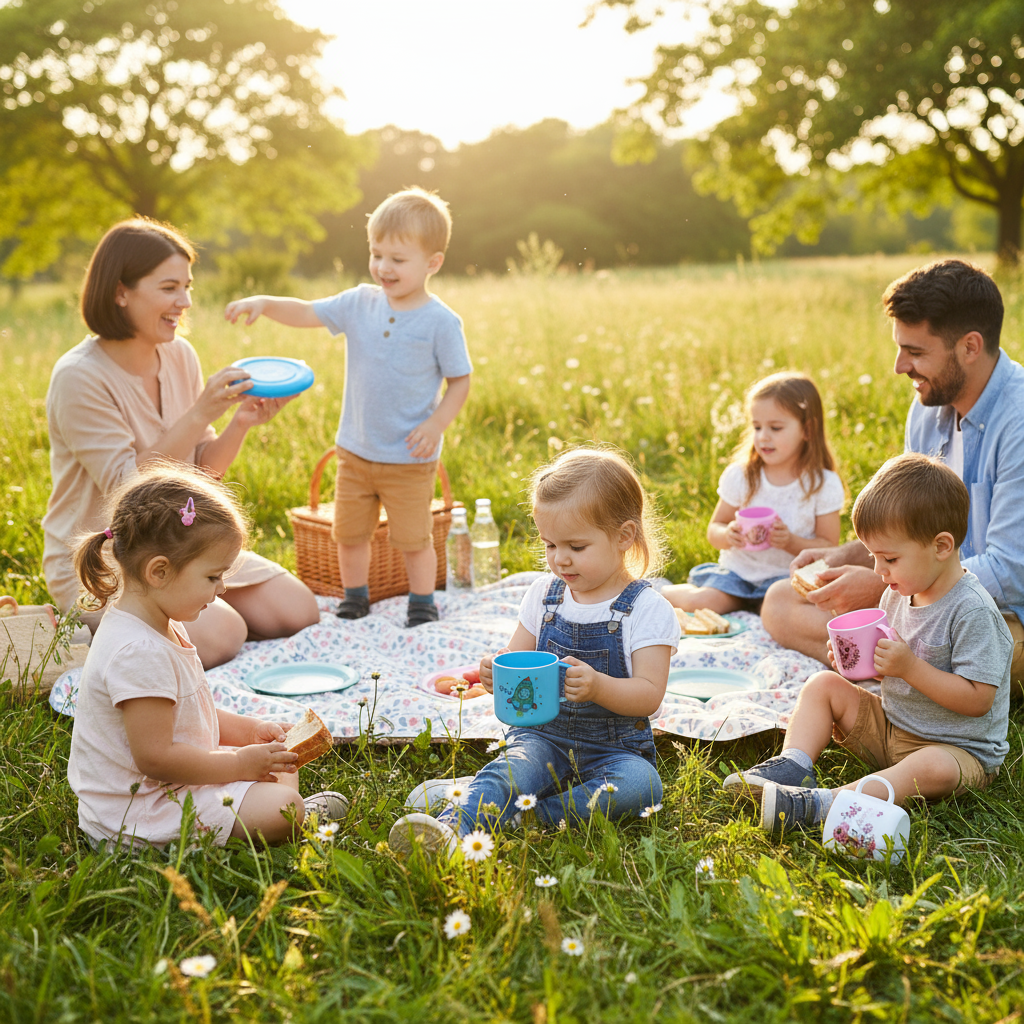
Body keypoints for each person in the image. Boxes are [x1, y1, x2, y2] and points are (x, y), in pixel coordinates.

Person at [42, 218, 319, 668]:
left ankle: (157, 628)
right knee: (225, 634)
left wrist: (239, 423)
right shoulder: (79, 377)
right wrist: (201, 412)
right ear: (121, 292)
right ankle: (88, 635)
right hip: (107, 557)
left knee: (298, 610)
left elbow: (199, 475)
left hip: (182, 543)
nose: (185, 302)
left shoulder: (179, 355)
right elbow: (126, 491)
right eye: (169, 288)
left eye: (187, 287)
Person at [387, 447, 679, 857]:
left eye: (576, 546)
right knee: (517, 766)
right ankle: (455, 828)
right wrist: (495, 672)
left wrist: (598, 687)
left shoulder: (647, 609)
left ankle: (526, 814)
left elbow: (649, 694)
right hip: (541, 739)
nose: (560, 559)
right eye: (550, 544)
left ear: (624, 536)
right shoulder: (545, 596)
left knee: (642, 785)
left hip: (614, 751)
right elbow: (516, 658)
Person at [761, 259, 1024, 691]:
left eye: (916, 352)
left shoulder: (1018, 421)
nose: (900, 367)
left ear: (970, 347)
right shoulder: (926, 410)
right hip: (922, 600)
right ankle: (900, 676)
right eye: (900, 349)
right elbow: (903, 525)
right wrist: (843, 557)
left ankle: (899, 677)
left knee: (961, 647)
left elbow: (1011, 570)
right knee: (779, 602)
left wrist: (883, 590)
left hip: (1002, 616)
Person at [725, 454, 1012, 835]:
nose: (878, 570)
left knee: (933, 767)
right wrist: (864, 666)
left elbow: (978, 700)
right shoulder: (897, 591)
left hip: (956, 751)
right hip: (893, 728)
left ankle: (820, 804)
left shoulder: (972, 610)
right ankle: (792, 766)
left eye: (889, 557)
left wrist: (909, 667)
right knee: (822, 685)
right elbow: (892, 673)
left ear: (942, 546)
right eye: (874, 557)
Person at [224, 187, 472, 628]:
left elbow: (460, 380)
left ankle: (422, 602)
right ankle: (355, 597)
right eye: (377, 254)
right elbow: (307, 312)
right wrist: (263, 303)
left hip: (409, 458)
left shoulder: (440, 321)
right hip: (355, 451)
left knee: (414, 538)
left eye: (398, 259)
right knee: (349, 534)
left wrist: (436, 424)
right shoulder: (359, 302)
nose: (383, 267)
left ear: (432, 263)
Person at [67, 467, 348, 851]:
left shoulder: (160, 623)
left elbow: (184, 716)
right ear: (159, 572)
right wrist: (239, 766)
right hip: (139, 813)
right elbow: (155, 758)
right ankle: (291, 817)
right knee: (281, 804)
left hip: (168, 785)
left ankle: (282, 810)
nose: (222, 589)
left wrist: (249, 732)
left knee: (278, 765)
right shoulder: (137, 652)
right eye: (213, 577)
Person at [662, 372, 844, 615]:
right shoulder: (742, 476)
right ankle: (655, 592)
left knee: (782, 611)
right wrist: (728, 535)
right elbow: (714, 528)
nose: (763, 436)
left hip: (786, 579)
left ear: (807, 429)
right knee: (705, 601)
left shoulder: (822, 484)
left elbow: (829, 546)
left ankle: (760, 610)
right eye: (757, 427)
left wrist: (790, 542)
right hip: (738, 575)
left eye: (775, 428)